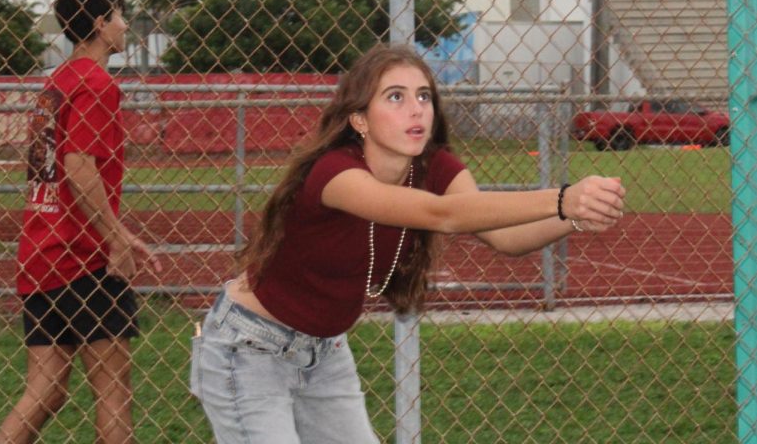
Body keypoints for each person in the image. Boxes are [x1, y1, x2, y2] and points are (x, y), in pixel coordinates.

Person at [190, 43, 626, 443]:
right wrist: (562, 195)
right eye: (395, 97)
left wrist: (574, 216)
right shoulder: (335, 173)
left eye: (423, 96)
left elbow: (506, 237)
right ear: (359, 118)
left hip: (325, 353)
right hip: (250, 349)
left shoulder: (436, 167)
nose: (416, 109)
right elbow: (443, 215)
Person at [0, 0, 160, 444]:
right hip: (82, 258)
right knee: (113, 392)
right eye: (120, 16)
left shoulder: (58, 82)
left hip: (41, 252)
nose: (125, 26)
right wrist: (116, 239)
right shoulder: (96, 82)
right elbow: (78, 166)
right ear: (102, 22)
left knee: (45, 391)